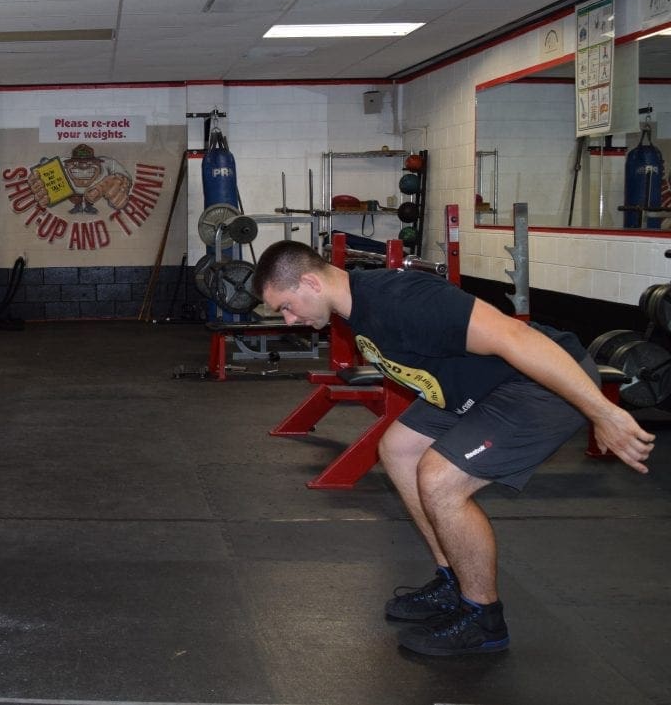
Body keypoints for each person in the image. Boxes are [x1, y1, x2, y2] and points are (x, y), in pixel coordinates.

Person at [252, 239, 655, 657]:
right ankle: (453, 581)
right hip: (479, 386)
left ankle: (484, 619)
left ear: (310, 283)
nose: (290, 318)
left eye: (287, 306)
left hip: (538, 385)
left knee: (440, 481)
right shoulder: (355, 308)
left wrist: (602, 412)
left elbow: (515, 335)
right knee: (399, 449)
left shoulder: (403, 300)